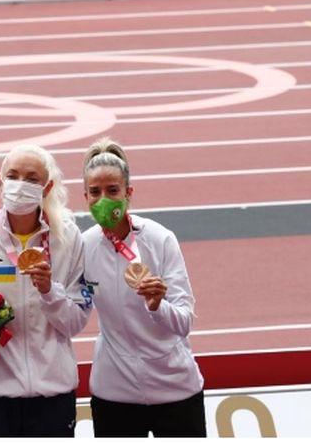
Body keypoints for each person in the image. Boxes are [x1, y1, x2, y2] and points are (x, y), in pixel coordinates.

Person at [0, 144, 91, 436]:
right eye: (13, 176)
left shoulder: (67, 237)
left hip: (53, 392)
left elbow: (75, 322)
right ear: (0, 181)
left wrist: (49, 291)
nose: (20, 185)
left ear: (47, 186)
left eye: (31, 179)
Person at [80, 139, 206, 437]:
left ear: (129, 193)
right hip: (115, 392)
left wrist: (157, 305)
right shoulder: (82, 246)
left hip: (175, 389)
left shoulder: (161, 239)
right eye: (95, 193)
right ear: (85, 196)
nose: (104, 200)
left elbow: (185, 321)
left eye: (113, 191)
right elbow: (73, 314)